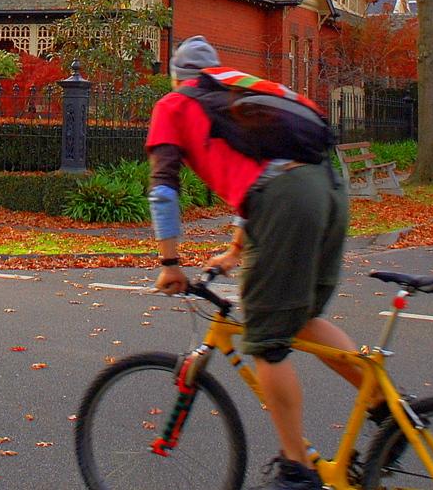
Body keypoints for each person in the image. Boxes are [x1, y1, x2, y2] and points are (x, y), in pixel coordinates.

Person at [147, 35, 367, 490]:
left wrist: (170, 262)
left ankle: (296, 470)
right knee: (301, 318)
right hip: (330, 190)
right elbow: (264, 170)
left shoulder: (176, 103)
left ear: (177, 76)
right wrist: (234, 250)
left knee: (267, 342)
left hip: (289, 200)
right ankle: (390, 410)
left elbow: (164, 188)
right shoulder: (242, 94)